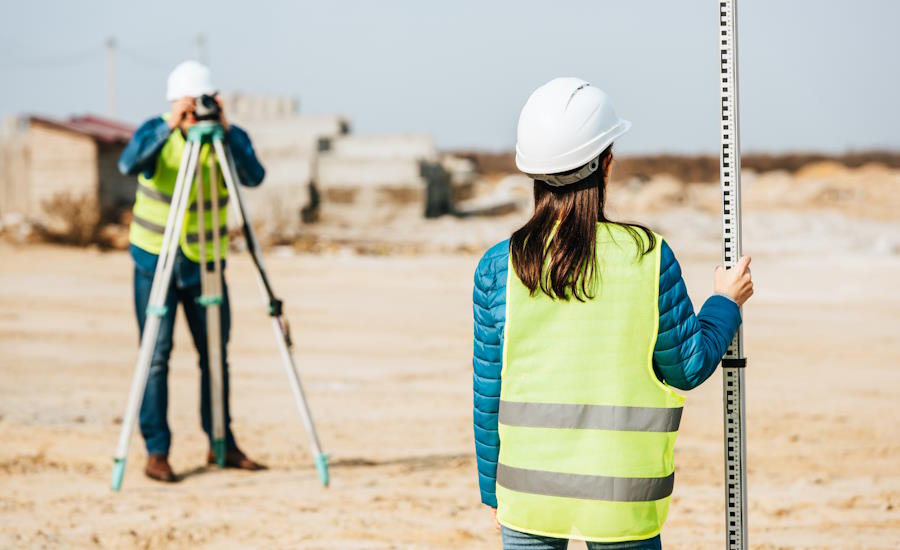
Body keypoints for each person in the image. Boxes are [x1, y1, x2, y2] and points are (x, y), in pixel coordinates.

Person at [472, 77, 753, 549]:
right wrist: (725, 303)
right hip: (624, 497)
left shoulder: (499, 266)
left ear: (532, 172)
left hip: (528, 494)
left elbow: (488, 393)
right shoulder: (647, 256)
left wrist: (493, 494)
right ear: (606, 164)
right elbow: (686, 367)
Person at [118, 60, 267, 482]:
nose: (198, 109)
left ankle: (222, 442)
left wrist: (226, 128)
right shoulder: (155, 132)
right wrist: (171, 126)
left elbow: (254, 176)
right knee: (156, 357)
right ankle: (157, 451)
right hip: (155, 261)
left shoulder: (227, 138)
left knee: (216, 356)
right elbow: (129, 164)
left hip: (206, 265)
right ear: (175, 102)